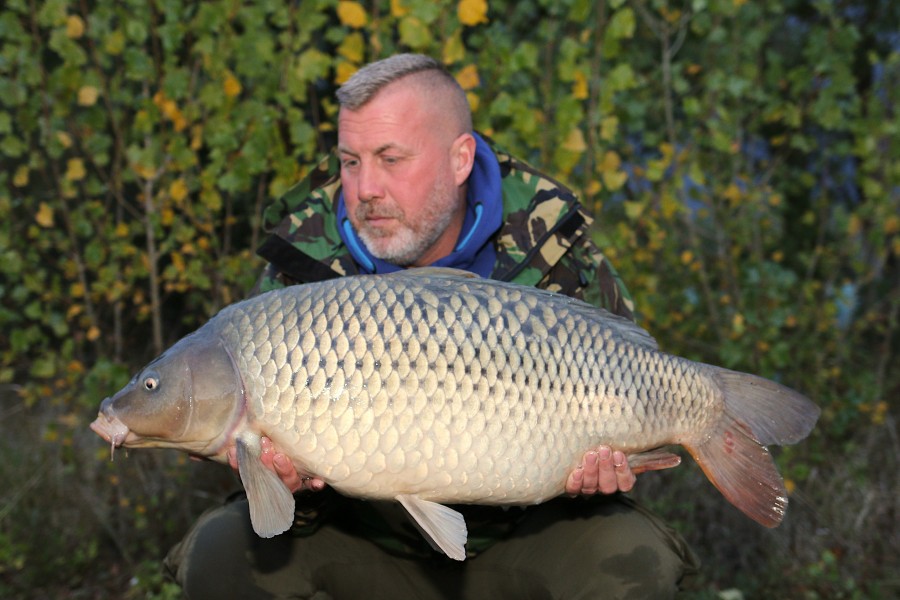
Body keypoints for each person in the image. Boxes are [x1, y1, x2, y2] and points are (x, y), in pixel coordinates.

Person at [165, 53, 698, 599]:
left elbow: (626, 392)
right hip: (357, 537)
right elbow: (270, 476)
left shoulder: (557, 252)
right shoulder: (298, 268)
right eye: (350, 161)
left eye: (391, 159)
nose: (365, 187)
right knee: (221, 550)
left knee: (634, 557)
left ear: (460, 159)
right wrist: (285, 484)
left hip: (525, 534)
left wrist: (600, 476)